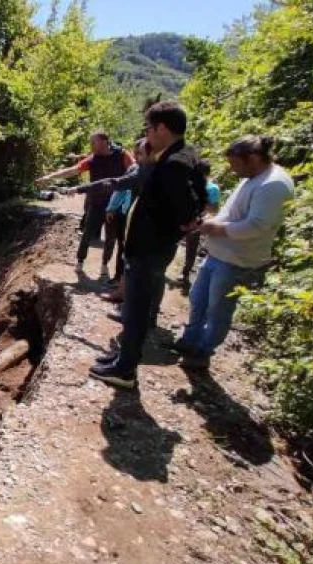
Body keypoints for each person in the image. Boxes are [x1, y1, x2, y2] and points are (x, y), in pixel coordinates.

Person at [89, 102, 204, 390]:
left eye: (149, 128)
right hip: (149, 246)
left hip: (150, 248)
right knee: (133, 307)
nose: (147, 134)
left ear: (162, 128)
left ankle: (125, 371)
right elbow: (195, 197)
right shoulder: (181, 156)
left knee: (137, 310)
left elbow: (189, 207)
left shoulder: (176, 163)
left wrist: (181, 225)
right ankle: (123, 357)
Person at [174, 135, 295, 369]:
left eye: (235, 163)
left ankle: (203, 351)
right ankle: (191, 339)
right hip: (220, 254)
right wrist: (204, 223)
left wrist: (214, 229)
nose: (232, 169)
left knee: (218, 309)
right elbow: (231, 213)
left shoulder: (273, 185)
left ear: (252, 158)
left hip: (238, 260)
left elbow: (256, 226)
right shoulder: (253, 177)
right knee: (198, 298)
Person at [67, 138, 154, 297]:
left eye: (139, 154)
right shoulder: (137, 169)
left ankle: (127, 294)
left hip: (140, 222)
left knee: (119, 245)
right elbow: (117, 186)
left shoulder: (136, 166)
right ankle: (120, 287)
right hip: (114, 209)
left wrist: (80, 189)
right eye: (136, 153)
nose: (136, 157)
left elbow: (114, 184)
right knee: (119, 247)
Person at [38, 132, 134, 273]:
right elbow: (73, 170)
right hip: (96, 203)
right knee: (87, 233)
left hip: (115, 204)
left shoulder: (123, 156)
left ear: (104, 141)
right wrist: (49, 177)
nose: (91, 145)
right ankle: (80, 261)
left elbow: (135, 171)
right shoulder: (92, 159)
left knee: (110, 237)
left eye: (93, 142)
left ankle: (104, 265)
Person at [180, 160, 221, 292]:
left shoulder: (212, 188)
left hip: (198, 220)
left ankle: (185, 273)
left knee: (191, 246)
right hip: (187, 218)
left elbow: (214, 208)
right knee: (187, 246)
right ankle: (184, 273)